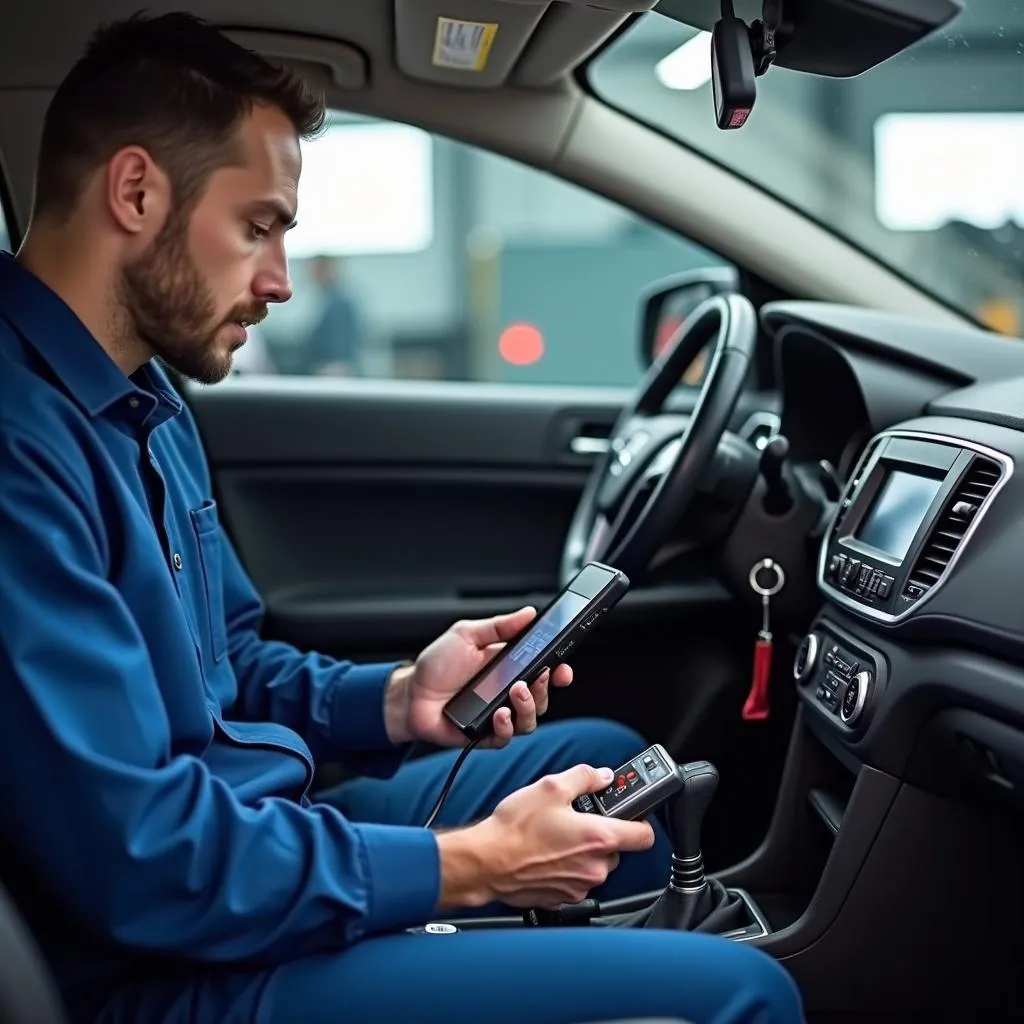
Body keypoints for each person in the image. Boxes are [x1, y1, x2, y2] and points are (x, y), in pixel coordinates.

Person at [0, 12, 804, 1024]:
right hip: (163, 966)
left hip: (247, 834)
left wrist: (391, 699)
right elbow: (147, 861)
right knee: (738, 994)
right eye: (258, 226)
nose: (280, 281)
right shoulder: (19, 448)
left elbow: (229, 669)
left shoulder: (146, 403)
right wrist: (475, 865)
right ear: (135, 191)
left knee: (587, 763)